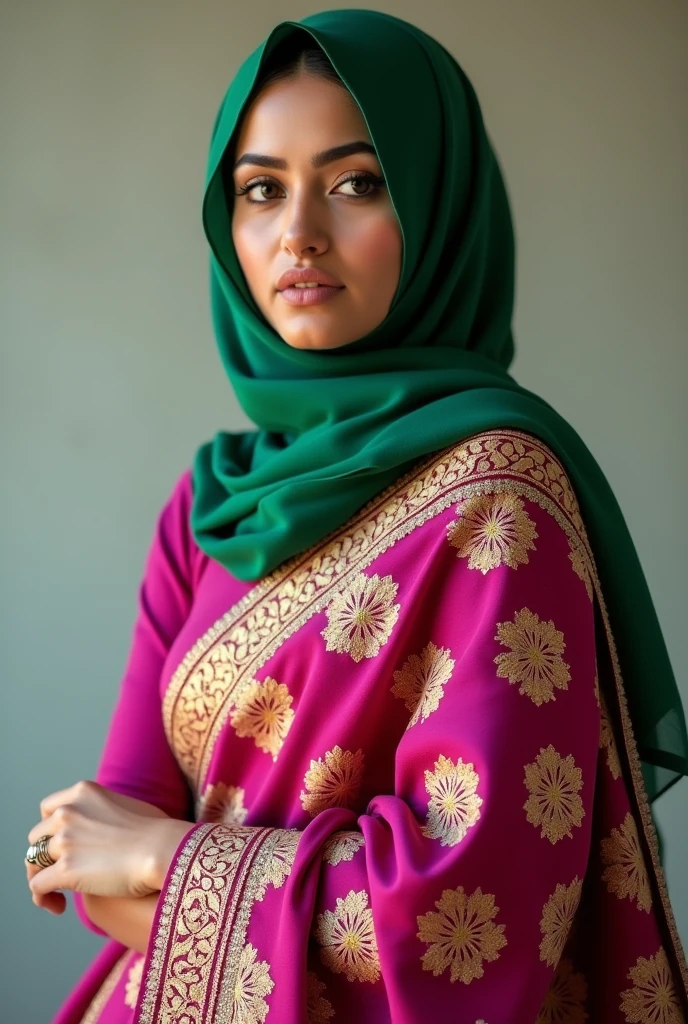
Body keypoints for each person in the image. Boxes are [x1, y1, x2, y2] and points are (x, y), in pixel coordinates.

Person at [26, 10, 688, 1023]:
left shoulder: (500, 503)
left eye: (355, 183)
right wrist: (132, 864)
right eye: (259, 190)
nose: (298, 233)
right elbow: (95, 873)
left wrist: (164, 857)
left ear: (438, 204)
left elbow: (477, 916)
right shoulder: (213, 501)